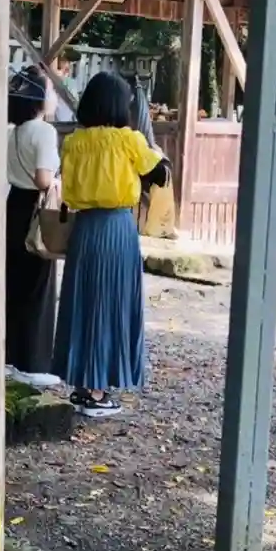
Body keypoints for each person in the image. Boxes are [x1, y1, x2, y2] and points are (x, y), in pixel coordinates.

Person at [53, 71, 168, 418]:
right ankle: (99, 392)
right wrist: (156, 154)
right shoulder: (128, 140)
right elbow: (160, 175)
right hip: (117, 228)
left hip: (85, 229)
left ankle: (82, 385)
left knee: (85, 303)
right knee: (111, 303)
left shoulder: (73, 142)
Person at [4, 67, 60, 388]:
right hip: (36, 210)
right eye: (50, 91)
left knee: (13, 283)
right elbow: (42, 179)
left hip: (13, 205)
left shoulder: (12, 132)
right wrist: (57, 182)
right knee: (39, 285)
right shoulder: (44, 132)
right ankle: (33, 362)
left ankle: (9, 356)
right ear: (39, 99)